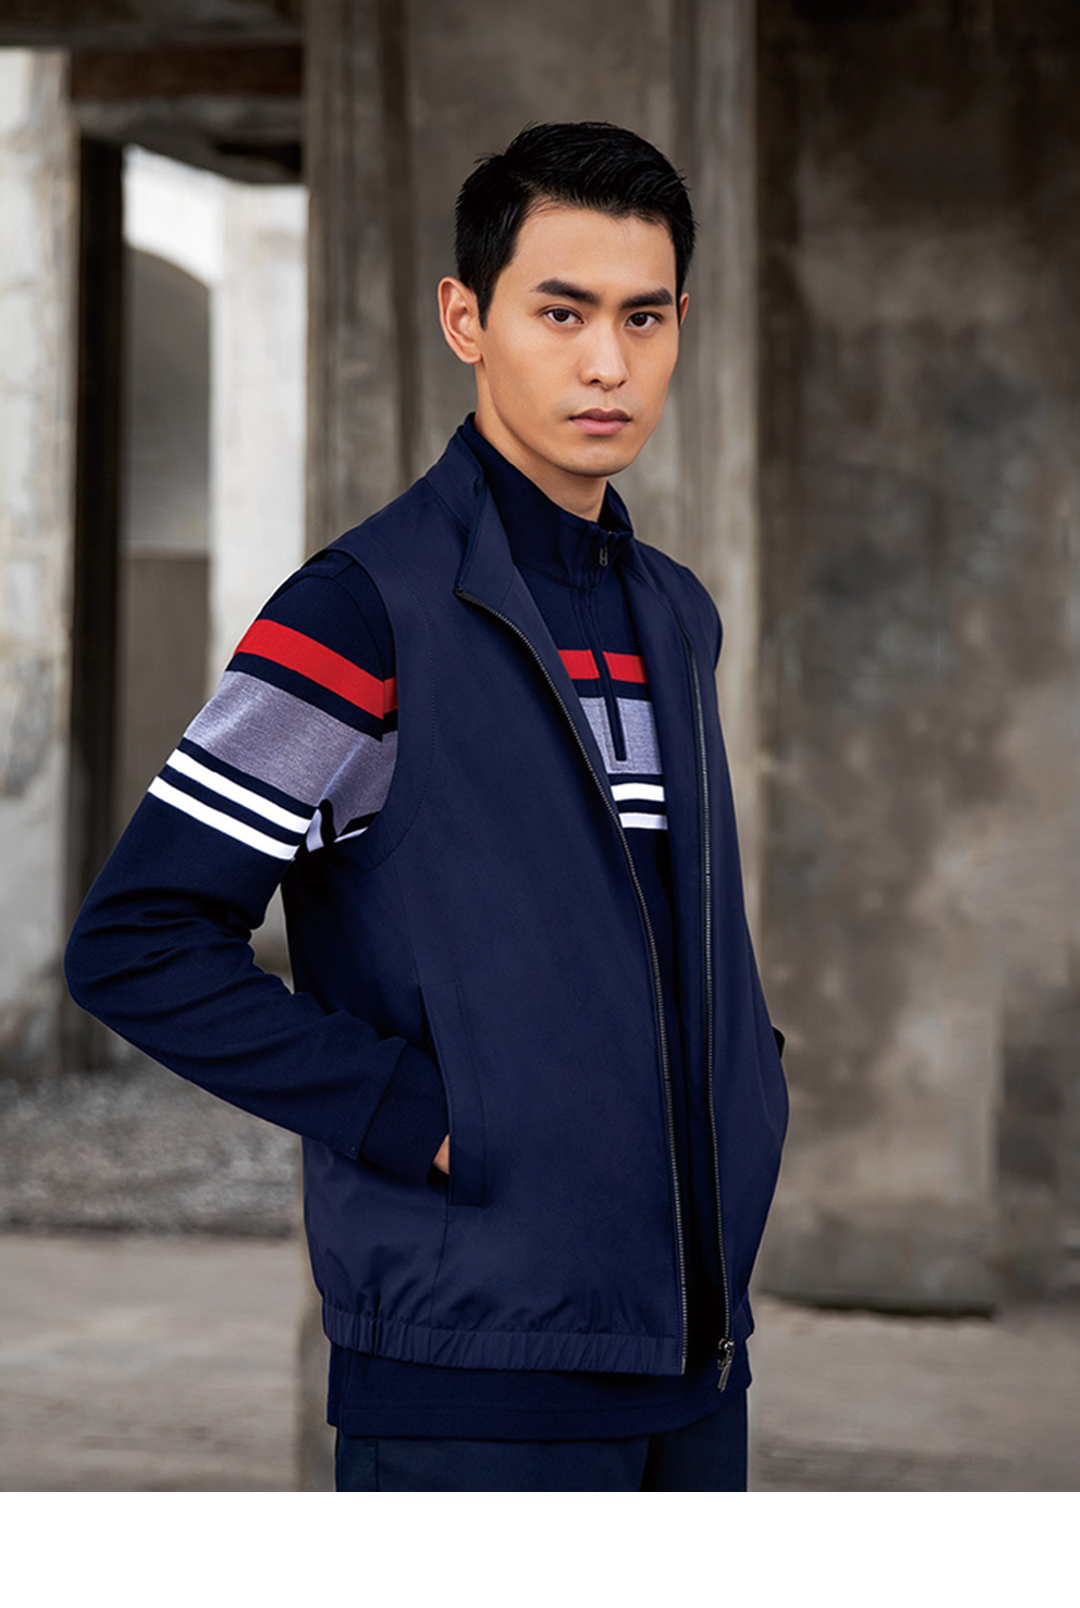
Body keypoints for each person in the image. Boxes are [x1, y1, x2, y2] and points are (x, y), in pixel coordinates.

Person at [65, 121, 788, 1492]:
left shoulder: (674, 614)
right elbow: (137, 941)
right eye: (561, 313)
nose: (607, 363)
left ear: (680, 326)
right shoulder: (358, 616)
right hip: (469, 1369)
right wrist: (416, 1113)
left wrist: (749, 1086)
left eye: (642, 317)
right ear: (467, 320)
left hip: (693, 1355)